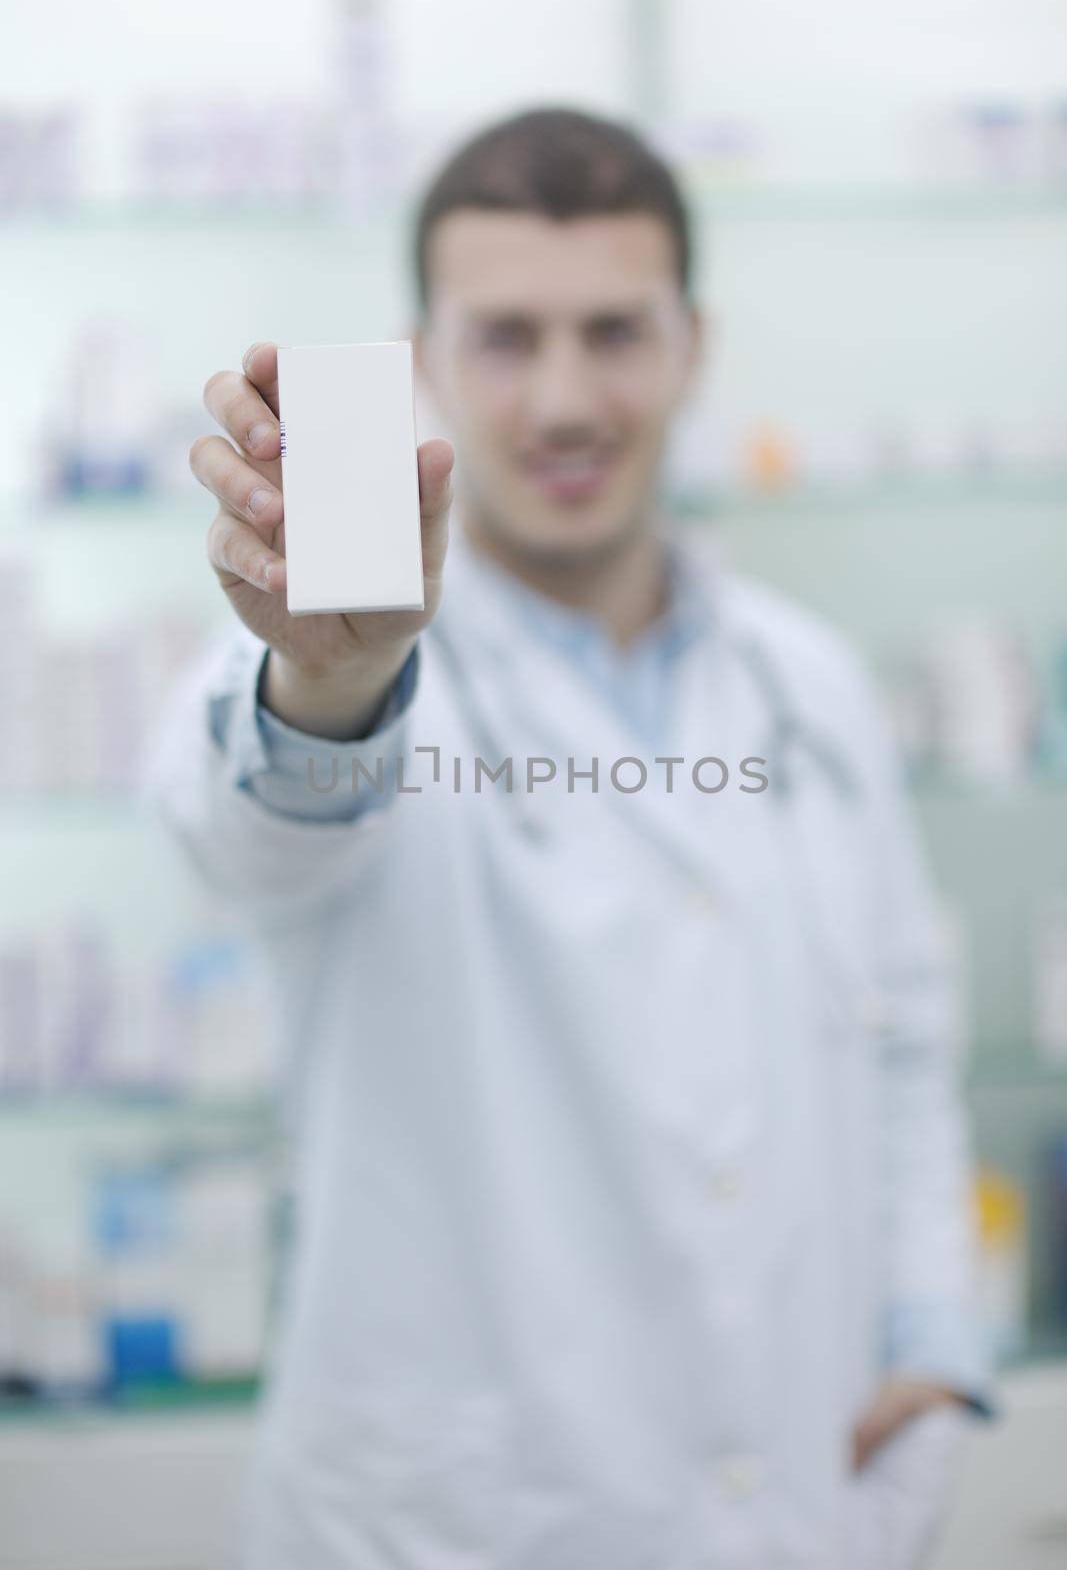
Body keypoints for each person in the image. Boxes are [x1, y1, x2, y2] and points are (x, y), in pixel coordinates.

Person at [148, 107, 993, 1569]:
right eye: (506, 337)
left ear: (692, 345)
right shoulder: (362, 677)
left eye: (613, 331)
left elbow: (905, 1041)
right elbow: (258, 831)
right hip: (447, 1525)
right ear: (421, 357)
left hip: (793, 1502)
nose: (562, 399)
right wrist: (334, 679)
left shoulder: (808, 684)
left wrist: (930, 1337)